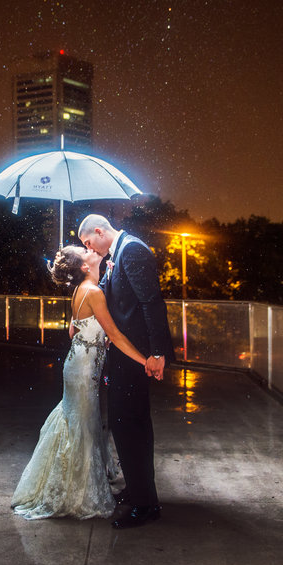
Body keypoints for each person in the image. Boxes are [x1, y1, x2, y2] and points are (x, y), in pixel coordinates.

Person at [11, 245, 156, 520]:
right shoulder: (94, 292)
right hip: (84, 368)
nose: (90, 249)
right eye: (85, 250)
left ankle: (73, 483)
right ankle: (75, 492)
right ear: (85, 267)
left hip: (76, 364)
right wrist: (145, 360)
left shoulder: (80, 290)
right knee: (83, 424)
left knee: (80, 421)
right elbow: (116, 335)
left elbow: (72, 330)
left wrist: (92, 339)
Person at [78, 213, 175, 529]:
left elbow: (151, 302)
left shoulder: (131, 250)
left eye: (88, 243)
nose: (89, 249)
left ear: (98, 231)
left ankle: (145, 505)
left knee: (128, 426)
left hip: (135, 358)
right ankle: (139, 491)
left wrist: (157, 353)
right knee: (129, 426)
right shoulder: (117, 254)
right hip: (126, 358)